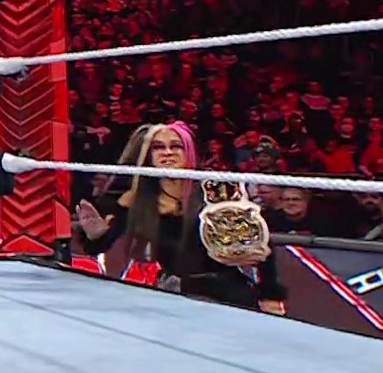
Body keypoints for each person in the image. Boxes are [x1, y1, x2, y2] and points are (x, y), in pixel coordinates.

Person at [72, 122, 288, 313]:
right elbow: (101, 245)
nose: (168, 153)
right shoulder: (139, 198)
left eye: (176, 146)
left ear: (188, 151)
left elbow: (260, 244)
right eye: (158, 147)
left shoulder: (215, 190)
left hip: (226, 290)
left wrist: (270, 295)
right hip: (176, 294)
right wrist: (95, 235)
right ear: (149, 155)